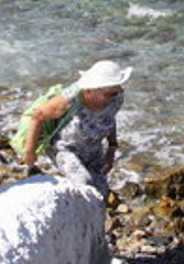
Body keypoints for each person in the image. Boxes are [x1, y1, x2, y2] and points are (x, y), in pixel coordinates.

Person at [15, 59, 132, 196]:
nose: (116, 95)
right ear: (91, 89)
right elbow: (37, 116)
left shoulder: (117, 96)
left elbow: (109, 119)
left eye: (118, 89)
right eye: (110, 93)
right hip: (64, 149)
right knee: (85, 185)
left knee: (102, 190)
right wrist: (29, 152)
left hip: (93, 150)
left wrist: (111, 148)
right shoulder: (70, 99)